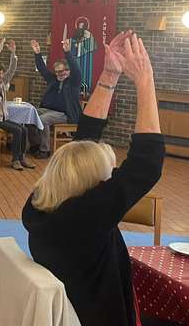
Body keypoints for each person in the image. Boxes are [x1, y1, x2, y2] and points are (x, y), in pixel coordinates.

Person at [23, 31, 162, 326]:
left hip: (75, 305)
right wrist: (145, 80)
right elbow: (145, 165)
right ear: (94, 185)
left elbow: (82, 142)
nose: (111, 178)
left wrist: (109, 76)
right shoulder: (87, 218)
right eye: (108, 174)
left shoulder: (39, 204)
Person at [0, 38, 32, 171]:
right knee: (17, 130)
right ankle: (15, 160)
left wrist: (13, 54)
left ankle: (21, 158)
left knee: (24, 129)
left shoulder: (2, 83)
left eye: (1, 73)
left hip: (3, 118)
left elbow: (11, 71)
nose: (0, 75)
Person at [28, 38, 83, 158]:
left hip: (64, 113)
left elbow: (77, 69)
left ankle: (45, 150)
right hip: (47, 109)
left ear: (68, 71)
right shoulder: (53, 79)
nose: (59, 74)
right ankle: (35, 145)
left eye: (62, 71)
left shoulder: (74, 82)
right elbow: (42, 69)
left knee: (42, 120)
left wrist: (68, 53)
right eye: (57, 72)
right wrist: (37, 53)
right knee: (30, 114)